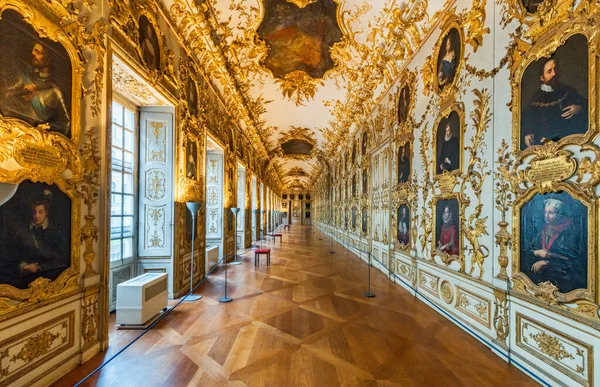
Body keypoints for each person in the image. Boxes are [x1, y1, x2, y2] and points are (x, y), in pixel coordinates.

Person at [2, 43, 70, 136]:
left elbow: (65, 123)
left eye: (37, 52)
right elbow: (6, 95)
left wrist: (41, 127)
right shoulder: (26, 75)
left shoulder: (54, 91)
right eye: (33, 50)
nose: (33, 53)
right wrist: (23, 97)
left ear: (48, 59)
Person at [521, 57, 588, 149]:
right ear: (542, 78)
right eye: (549, 71)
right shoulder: (535, 98)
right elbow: (526, 119)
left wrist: (580, 108)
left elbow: (590, 105)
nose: (554, 74)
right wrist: (527, 133)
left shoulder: (569, 91)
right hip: (544, 142)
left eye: (555, 69)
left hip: (569, 140)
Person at [522, 198, 586, 293]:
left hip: (564, 280)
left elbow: (573, 261)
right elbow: (527, 250)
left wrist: (548, 262)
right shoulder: (545, 230)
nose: (546, 216)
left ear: (560, 215)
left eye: (551, 213)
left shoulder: (569, 232)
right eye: (545, 212)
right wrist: (536, 252)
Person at [11, 190, 69, 288]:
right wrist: (25, 266)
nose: (37, 216)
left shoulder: (56, 230)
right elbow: (13, 255)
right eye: (34, 212)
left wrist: (41, 267)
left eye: (40, 212)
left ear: (46, 212)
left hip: (52, 276)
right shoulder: (23, 231)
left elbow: (63, 256)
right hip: (26, 278)